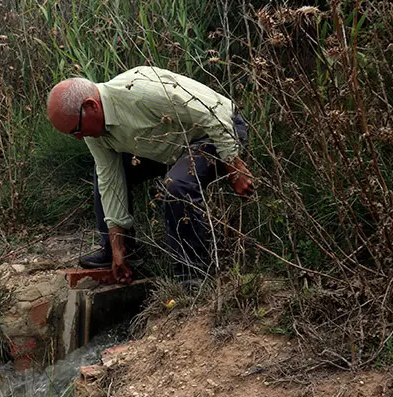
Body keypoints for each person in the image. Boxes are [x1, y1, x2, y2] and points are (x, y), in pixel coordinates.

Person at [46, 67, 254, 284]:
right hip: (169, 149)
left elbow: (213, 113)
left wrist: (234, 166)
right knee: (103, 177)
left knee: (177, 184)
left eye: (76, 130)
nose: (79, 138)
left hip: (215, 132)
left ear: (91, 105)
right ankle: (122, 254)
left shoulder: (140, 92)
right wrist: (118, 246)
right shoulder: (92, 128)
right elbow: (110, 179)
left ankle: (191, 275)